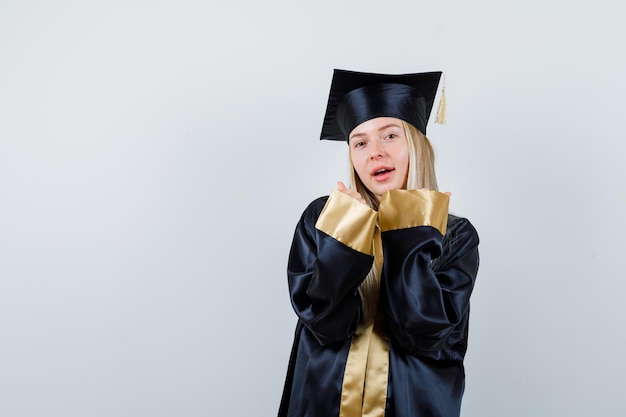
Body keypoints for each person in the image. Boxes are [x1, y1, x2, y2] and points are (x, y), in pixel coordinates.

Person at [278, 69, 480, 417]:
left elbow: (424, 334)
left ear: (416, 145)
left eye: (390, 135)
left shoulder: (454, 235)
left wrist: (413, 231)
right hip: (322, 403)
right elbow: (326, 323)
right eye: (360, 141)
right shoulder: (324, 220)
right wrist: (347, 236)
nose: (374, 152)